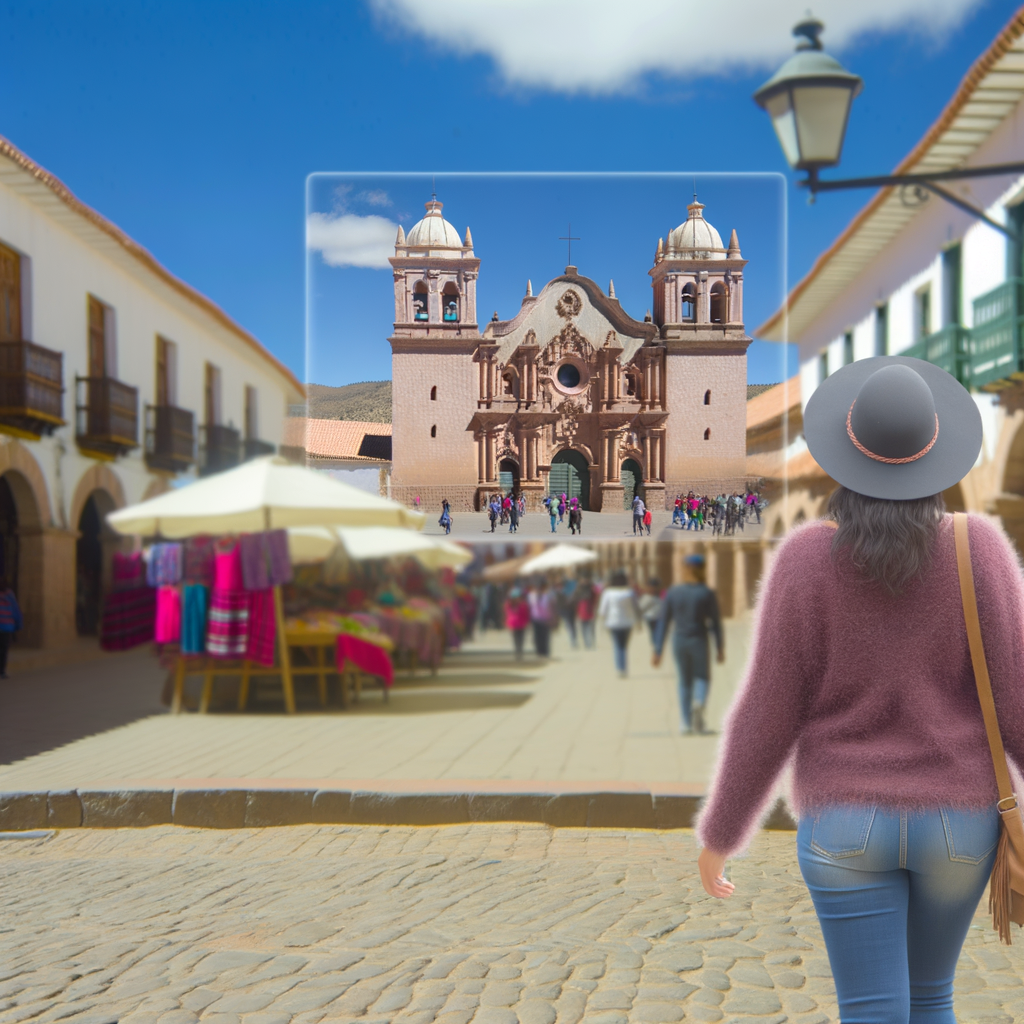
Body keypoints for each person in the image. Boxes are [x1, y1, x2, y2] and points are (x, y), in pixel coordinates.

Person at [694, 356, 1017, 1023]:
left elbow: (767, 712)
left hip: (844, 823)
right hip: (959, 823)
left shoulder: (806, 560)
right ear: (937, 459)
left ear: (845, 459)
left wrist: (723, 831)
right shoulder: (976, 548)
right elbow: (1016, 700)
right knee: (933, 999)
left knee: (871, 1011)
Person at [652, 555, 722, 734]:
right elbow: (715, 622)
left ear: (684, 569)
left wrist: (658, 649)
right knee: (702, 677)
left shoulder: (673, 592)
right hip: (699, 640)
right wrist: (720, 647)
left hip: (679, 641)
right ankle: (699, 702)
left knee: (684, 681)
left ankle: (686, 723)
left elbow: (663, 621)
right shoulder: (706, 593)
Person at [597, 570, 640, 677]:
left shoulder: (608, 593)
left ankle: (620, 669)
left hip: (613, 622)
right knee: (624, 646)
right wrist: (638, 621)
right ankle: (624, 667)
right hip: (627, 622)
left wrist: (602, 620)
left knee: (617, 645)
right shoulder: (630, 592)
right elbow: (636, 607)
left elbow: (602, 610)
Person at [528, 579, 556, 658]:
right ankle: (539, 652)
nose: (539, 589)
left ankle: (545, 652)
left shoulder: (548, 596)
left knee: (545, 636)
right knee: (537, 637)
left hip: (546, 618)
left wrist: (553, 619)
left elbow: (552, 607)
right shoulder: (531, 596)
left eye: (540, 588)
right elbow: (529, 608)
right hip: (535, 618)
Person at [0, 577, 22, 679]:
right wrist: (18, 626)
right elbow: (15, 611)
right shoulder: (9, 595)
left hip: (5, 627)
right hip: (6, 627)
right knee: (3, 650)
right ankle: (2, 671)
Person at [505, 587, 530, 661]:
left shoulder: (523, 605)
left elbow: (526, 615)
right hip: (513, 625)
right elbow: (508, 614)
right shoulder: (509, 605)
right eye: (516, 597)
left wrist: (527, 623)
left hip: (522, 625)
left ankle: (520, 653)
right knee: (515, 640)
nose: (517, 598)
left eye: (518, 597)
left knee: (521, 640)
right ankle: (517, 653)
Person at [637, 578, 664, 646]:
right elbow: (641, 608)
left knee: (656, 632)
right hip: (650, 617)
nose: (654, 588)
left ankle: (656, 645)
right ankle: (656, 646)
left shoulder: (661, 595)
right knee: (654, 632)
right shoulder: (647, 597)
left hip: (659, 617)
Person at [557, 577, 579, 648]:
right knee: (570, 626)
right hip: (567, 610)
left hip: (569, 610)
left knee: (570, 625)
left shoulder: (563, 591)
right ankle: (573, 640)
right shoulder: (562, 592)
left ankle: (573, 640)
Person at [576, 578, 597, 649]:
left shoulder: (579, 591)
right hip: (588, 610)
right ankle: (589, 642)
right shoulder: (591, 591)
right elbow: (595, 600)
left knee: (585, 628)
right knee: (588, 628)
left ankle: (587, 643)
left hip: (583, 610)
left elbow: (575, 602)